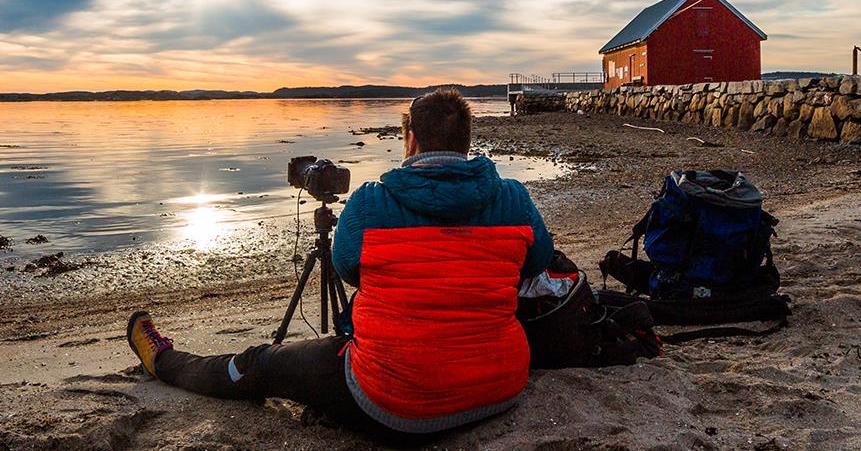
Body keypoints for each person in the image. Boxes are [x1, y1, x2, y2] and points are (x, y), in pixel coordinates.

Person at [125, 88, 554, 437]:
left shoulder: (372, 202)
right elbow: (538, 262)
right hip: (500, 387)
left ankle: (162, 360)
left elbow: (347, 267)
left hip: (396, 405)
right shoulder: (513, 197)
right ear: (466, 141)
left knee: (260, 363)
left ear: (411, 140)